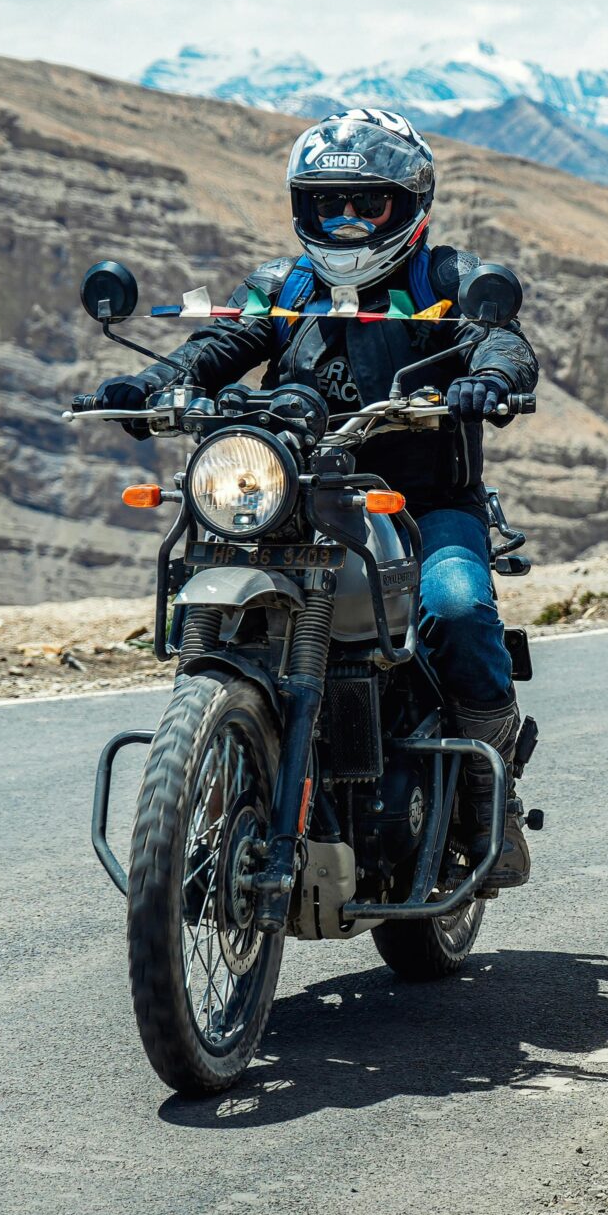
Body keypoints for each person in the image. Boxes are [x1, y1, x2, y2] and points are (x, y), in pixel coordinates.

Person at [77, 108, 540, 889]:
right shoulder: (282, 286)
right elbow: (215, 346)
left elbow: (504, 340)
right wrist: (150, 384)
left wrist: (490, 376)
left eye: (369, 204)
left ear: (410, 204)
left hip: (422, 505)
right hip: (292, 499)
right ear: (305, 207)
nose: (349, 220)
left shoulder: (450, 281)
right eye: (331, 204)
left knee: (458, 608)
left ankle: (486, 790)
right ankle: (208, 783)